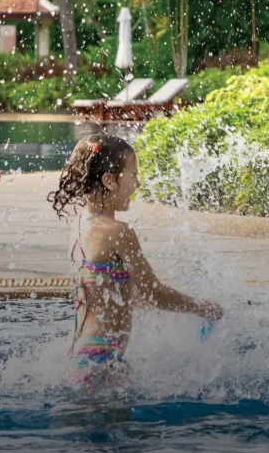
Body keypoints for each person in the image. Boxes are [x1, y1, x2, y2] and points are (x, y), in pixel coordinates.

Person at [49, 133, 223, 389]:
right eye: (133, 175)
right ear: (109, 180)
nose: (138, 184)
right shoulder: (118, 232)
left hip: (83, 358)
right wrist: (200, 308)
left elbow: (108, 293)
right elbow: (155, 294)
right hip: (103, 364)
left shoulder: (79, 225)